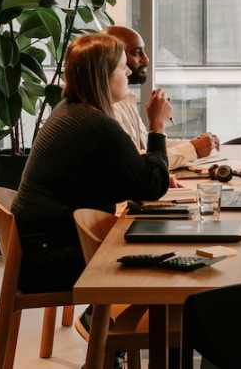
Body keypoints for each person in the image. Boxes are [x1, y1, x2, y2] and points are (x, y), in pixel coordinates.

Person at [9, 33, 171, 294]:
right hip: (49, 262)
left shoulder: (68, 110)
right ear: (103, 75)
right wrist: (157, 126)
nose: (129, 71)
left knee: (144, 236)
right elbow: (153, 186)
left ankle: (108, 322)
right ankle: (111, 327)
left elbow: (107, 179)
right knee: (155, 250)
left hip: (41, 250)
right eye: (121, 66)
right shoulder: (100, 127)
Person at [103, 26, 217, 170]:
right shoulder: (105, 109)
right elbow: (141, 164)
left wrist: (196, 144)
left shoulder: (125, 99)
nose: (146, 59)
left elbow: (144, 144)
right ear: (110, 59)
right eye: (136, 53)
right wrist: (191, 148)